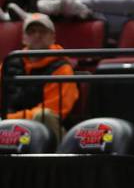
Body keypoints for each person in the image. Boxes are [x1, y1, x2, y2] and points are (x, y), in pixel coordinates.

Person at [0, 13, 79, 142]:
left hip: (46, 130)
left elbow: (54, 110)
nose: (37, 35)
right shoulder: (9, 63)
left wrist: (8, 118)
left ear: (53, 37)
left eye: (43, 31)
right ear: (24, 38)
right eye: (31, 32)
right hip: (8, 125)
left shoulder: (62, 67)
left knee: (44, 115)